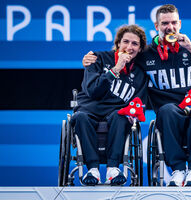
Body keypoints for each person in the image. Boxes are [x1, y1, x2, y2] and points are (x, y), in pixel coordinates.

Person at [83, 4, 191, 187]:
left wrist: (190, 47)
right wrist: (92, 59)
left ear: (179, 24)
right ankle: (179, 170)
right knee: (166, 110)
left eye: (173, 23)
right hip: (172, 110)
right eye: (165, 23)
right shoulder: (145, 55)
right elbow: (123, 53)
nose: (170, 27)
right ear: (156, 26)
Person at [73, 24, 147, 186]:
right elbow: (93, 91)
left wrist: (134, 112)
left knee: (122, 116)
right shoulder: (97, 59)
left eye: (135, 44)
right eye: (125, 42)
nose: (129, 47)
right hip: (89, 107)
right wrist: (117, 68)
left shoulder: (141, 73)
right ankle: (92, 169)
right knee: (80, 118)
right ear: (118, 43)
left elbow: (139, 102)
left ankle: (113, 168)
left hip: (115, 112)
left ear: (140, 49)